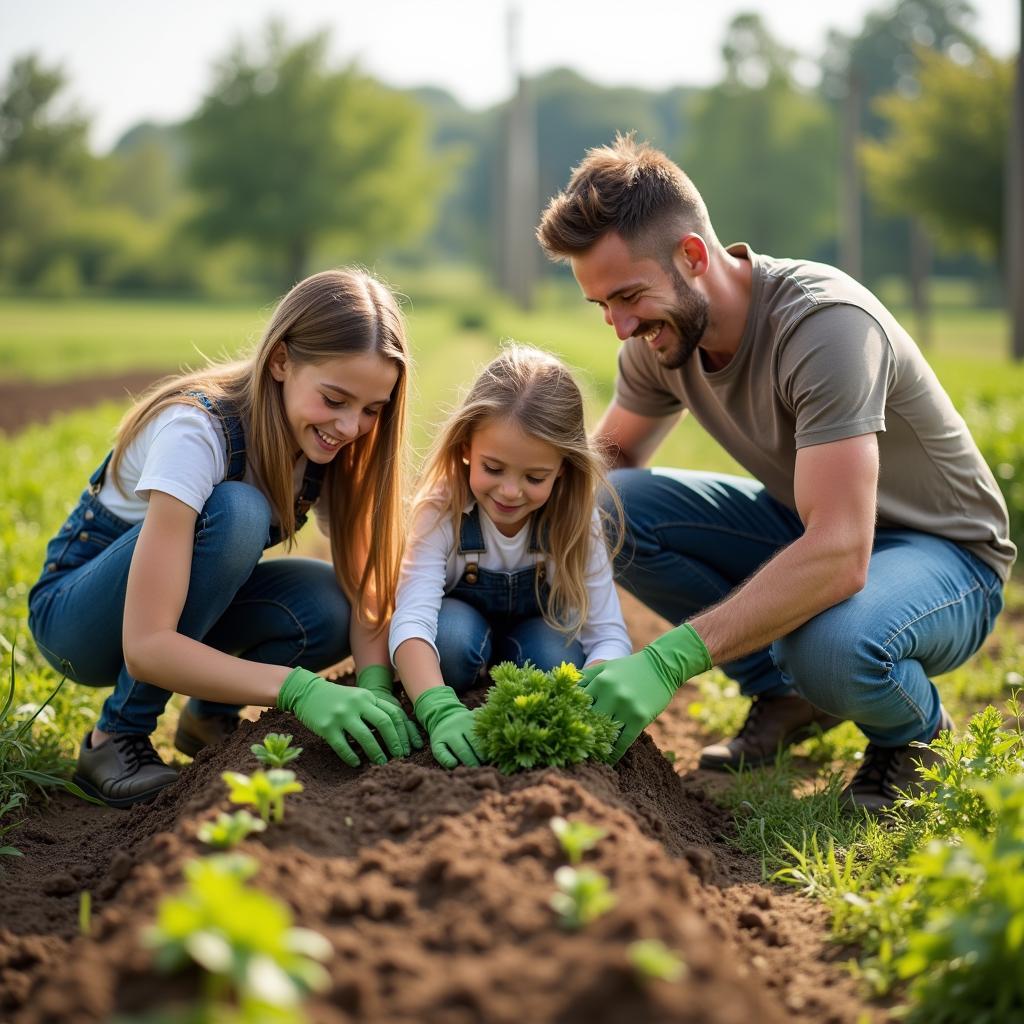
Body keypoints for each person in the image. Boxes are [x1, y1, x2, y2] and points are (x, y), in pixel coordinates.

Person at [535, 135, 1014, 812]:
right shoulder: (660, 335)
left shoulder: (824, 326)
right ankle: (784, 694)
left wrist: (671, 657)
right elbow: (602, 467)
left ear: (692, 256)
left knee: (833, 649)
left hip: (944, 553)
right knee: (602, 506)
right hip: (811, 524)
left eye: (627, 296)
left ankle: (916, 736)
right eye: (601, 306)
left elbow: (842, 554)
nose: (618, 326)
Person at [28, 269, 423, 808]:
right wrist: (297, 688)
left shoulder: (330, 446)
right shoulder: (198, 431)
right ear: (281, 361)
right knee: (239, 511)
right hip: (80, 622)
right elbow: (145, 647)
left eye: (372, 411)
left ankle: (206, 720)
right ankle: (115, 737)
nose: (351, 427)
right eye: (335, 399)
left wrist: (376, 687)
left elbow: (366, 588)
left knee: (329, 604)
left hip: (179, 606)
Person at [389, 343, 633, 769]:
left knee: (557, 666)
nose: (509, 491)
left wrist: (584, 697)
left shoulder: (575, 521)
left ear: (563, 468)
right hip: (459, 626)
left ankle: (516, 662)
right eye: (493, 468)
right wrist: (436, 707)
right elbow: (411, 617)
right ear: (466, 447)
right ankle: (467, 676)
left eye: (534, 477)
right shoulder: (442, 509)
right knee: (447, 644)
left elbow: (609, 635)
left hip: (538, 630)